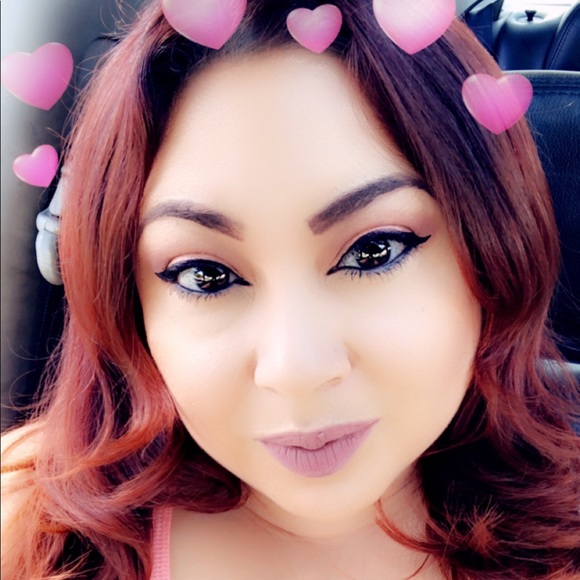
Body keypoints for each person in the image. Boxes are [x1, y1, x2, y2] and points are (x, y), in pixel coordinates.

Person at [1, 1, 579, 578]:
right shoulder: (30, 523)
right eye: (206, 276)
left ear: (490, 249)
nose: (297, 369)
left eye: (373, 252)